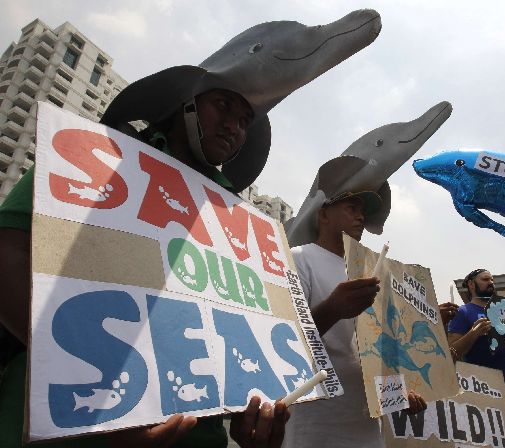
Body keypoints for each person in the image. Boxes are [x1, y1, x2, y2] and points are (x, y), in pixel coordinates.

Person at [0, 12, 382, 447]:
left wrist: (251, 414)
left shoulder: (243, 226)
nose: (234, 125)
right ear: (185, 103)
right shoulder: (99, 156)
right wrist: (103, 392)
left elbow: (253, 342)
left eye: (245, 119)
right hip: (71, 423)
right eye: (223, 105)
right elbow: (8, 254)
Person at [283, 191, 427, 448]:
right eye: (351, 208)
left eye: (363, 212)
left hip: (366, 426)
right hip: (314, 424)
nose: (361, 217)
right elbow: (284, 340)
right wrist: (333, 309)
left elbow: (377, 348)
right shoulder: (299, 258)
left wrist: (397, 393)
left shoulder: (370, 272)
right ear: (323, 214)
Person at [447, 269, 505, 448]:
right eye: (485, 279)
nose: (491, 282)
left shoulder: (500, 313)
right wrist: (474, 332)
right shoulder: (463, 312)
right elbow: (451, 352)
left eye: (492, 279)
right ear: (471, 284)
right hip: (484, 392)